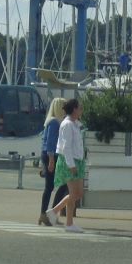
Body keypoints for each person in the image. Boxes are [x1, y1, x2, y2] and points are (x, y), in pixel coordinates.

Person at [46, 98, 86, 233]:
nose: (81, 110)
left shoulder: (75, 124)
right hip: (69, 161)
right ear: (74, 109)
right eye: (79, 108)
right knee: (74, 193)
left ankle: (57, 214)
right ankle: (65, 220)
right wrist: (71, 164)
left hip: (77, 160)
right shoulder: (67, 124)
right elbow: (66, 147)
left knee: (77, 193)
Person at [38, 97, 68, 226]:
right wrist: (51, 160)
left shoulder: (51, 122)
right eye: (64, 107)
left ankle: (47, 214)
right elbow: (50, 142)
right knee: (59, 185)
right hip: (51, 156)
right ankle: (48, 214)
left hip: (49, 155)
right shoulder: (54, 122)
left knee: (52, 186)